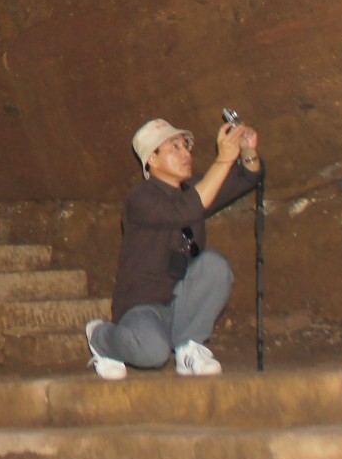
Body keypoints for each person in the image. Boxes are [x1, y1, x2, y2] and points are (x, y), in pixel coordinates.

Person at [86, 115, 262, 378]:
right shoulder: (140, 198)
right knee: (152, 354)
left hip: (183, 305)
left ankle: (189, 348)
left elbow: (248, 176)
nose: (185, 154)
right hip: (145, 308)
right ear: (152, 160)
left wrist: (247, 149)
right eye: (174, 148)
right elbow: (183, 211)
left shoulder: (192, 191)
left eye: (185, 146)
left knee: (214, 265)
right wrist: (224, 159)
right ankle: (101, 337)